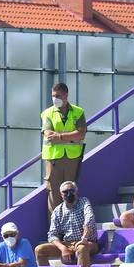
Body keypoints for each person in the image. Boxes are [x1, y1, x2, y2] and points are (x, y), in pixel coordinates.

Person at [40, 82, 87, 212]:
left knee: (71, 192)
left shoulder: (78, 112)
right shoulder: (47, 113)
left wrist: (59, 137)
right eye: (53, 96)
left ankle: (73, 224)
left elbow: (81, 134)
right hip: (53, 159)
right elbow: (48, 134)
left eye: (58, 96)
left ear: (66, 95)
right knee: (54, 194)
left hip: (72, 158)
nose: (55, 99)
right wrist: (71, 135)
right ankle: (55, 230)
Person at [35, 181, 97, 267]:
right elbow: (52, 234)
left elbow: (89, 219)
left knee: (81, 248)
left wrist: (84, 238)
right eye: (65, 191)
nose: (69, 193)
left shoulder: (83, 202)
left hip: (88, 242)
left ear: (76, 191)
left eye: (72, 190)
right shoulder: (58, 210)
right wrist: (63, 248)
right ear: (61, 194)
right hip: (68, 243)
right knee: (39, 250)